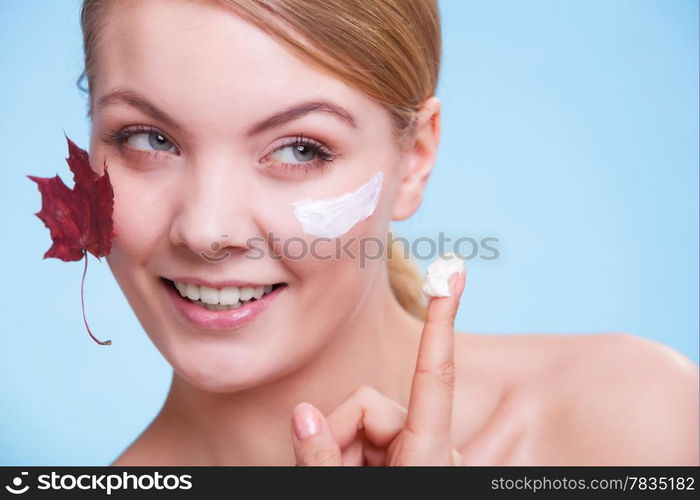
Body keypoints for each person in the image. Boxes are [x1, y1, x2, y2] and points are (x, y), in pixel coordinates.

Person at [77, 0, 699, 465]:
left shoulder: (637, 424)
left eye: (299, 149)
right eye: (147, 139)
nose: (207, 230)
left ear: (416, 160)